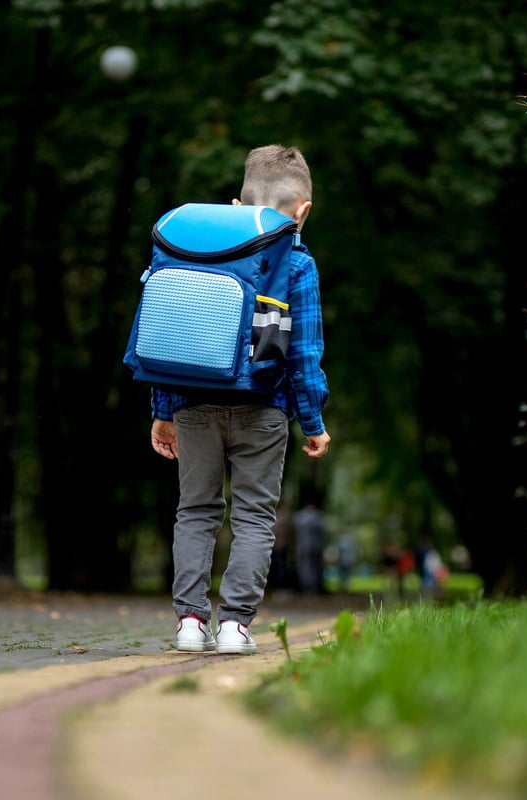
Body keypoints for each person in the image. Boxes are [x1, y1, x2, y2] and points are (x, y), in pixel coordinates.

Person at [149, 144, 331, 655]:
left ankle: (189, 622)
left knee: (196, 511)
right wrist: (312, 420)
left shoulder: (196, 253)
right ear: (304, 211)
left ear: (237, 204)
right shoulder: (297, 262)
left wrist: (164, 411)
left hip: (194, 405)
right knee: (253, 516)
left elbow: (171, 337)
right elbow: (305, 352)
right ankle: (235, 627)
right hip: (263, 409)